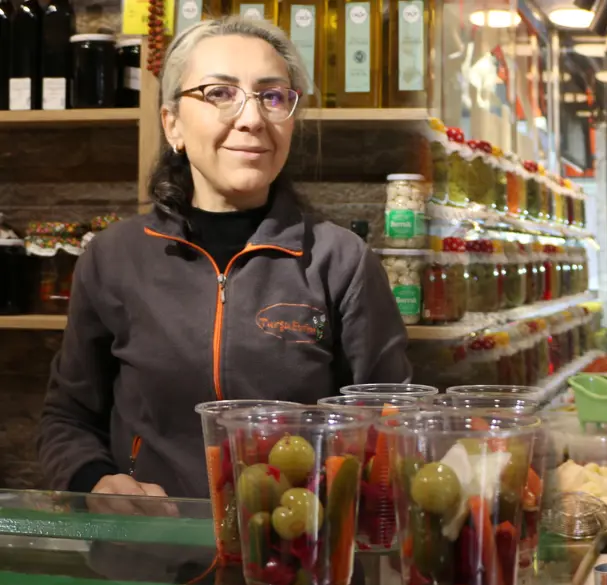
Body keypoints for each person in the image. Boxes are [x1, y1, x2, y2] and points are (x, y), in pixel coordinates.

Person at [37, 17, 410, 502]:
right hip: (150, 559)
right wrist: (94, 481)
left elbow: (392, 418)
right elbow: (67, 416)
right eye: (220, 93)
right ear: (173, 124)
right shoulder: (114, 258)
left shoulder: (341, 262)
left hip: (294, 556)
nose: (252, 118)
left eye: (272, 96)